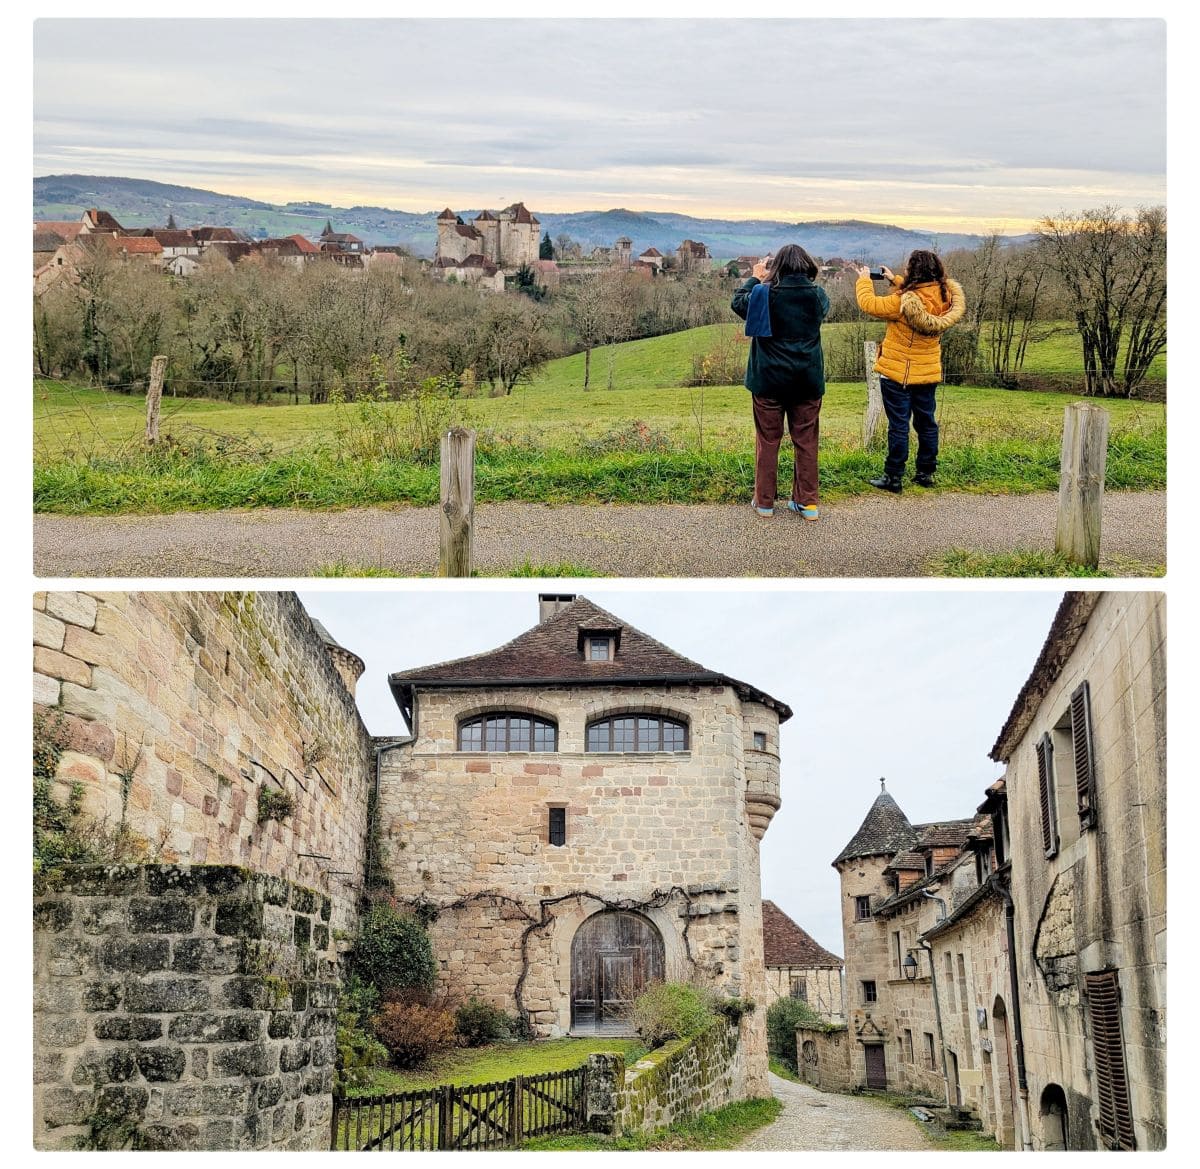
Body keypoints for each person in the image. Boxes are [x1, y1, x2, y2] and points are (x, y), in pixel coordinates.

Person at [730, 243, 830, 520]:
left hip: (769, 381)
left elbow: (738, 303)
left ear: (778, 267)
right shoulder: (818, 296)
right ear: (806, 265)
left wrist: (756, 277)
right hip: (807, 381)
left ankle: (764, 502)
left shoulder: (764, 294)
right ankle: (807, 503)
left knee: (768, 441)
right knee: (806, 442)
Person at [853, 250, 966, 492]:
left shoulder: (902, 303)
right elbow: (921, 295)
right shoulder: (947, 297)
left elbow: (869, 304)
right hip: (928, 374)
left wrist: (864, 280)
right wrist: (894, 280)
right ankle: (925, 473)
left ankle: (893, 476)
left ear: (913, 271)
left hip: (898, 375)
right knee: (927, 424)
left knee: (899, 426)